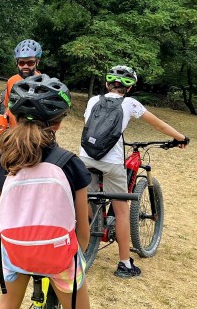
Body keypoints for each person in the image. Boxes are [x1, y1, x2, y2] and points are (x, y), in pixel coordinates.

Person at [0, 75, 96, 309]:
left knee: (5, 307)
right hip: (59, 256)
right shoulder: (69, 164)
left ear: (14, 116)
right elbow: (83, 228)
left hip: (14, 251)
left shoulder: (1, 161)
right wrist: (77, 255)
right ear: (57, 123)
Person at [79, 65, 189, 278]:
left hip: (85, 158)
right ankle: (124, 264)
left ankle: (84, 245)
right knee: (121, 210)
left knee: (86, 201)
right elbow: (159, 125)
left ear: (106, 84)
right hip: (111, 163)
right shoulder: (130, 104)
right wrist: (180, 138)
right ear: (129, 89)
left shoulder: (93, 101)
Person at [0, 39, 43, 208]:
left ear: (37, 62)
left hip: (32, 133)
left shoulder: (43, 82)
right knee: (6, 165)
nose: (25, 66)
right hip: (11, 132)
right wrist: (3, 117)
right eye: (21, 62)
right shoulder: (12, 81)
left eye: (30, 62)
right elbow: (6, 104)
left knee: (31, 166)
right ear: (17, 63)